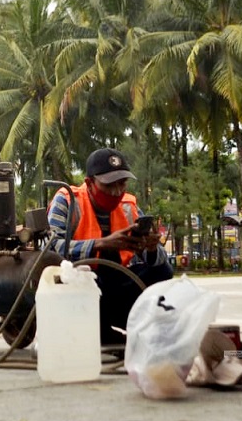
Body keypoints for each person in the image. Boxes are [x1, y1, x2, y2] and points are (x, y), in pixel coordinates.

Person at [47, 147, 174, 345]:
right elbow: (51, 247)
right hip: (82, 285)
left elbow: (159, 262)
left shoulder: (128, 206)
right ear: (90, 183)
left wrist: (149, 248)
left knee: (163, 270)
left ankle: (138, 323)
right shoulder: (67, 200)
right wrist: (101, 244)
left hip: (117, 285)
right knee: (84, 279)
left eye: (122, 184)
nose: (116, 191)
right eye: (108, 185)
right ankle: (98, 330)